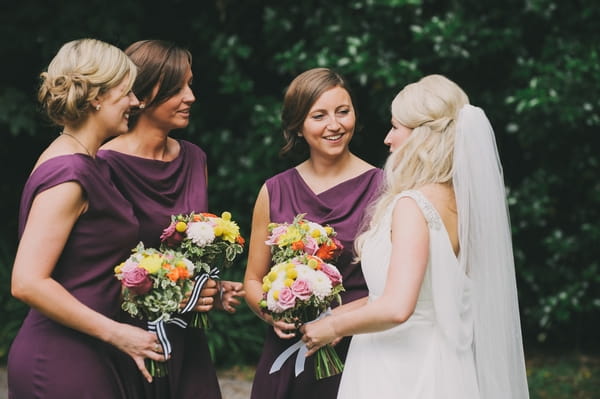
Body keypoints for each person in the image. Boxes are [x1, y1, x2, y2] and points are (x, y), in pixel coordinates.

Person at [299, 74, 530, 398]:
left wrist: (332, 328)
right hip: (446, 367)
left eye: (396, 127)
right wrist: (342, 314)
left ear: (422, 137)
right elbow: (416, 295)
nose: (387, 139)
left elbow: (398, 307)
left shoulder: (412, 205)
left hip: (401, 371)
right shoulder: (460, 203)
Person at [7, 38, 167, 399]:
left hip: (91, 350)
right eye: (126, 92)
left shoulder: (90, 162)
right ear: (96, 97)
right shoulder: (69, 172)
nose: (136, 103)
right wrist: (117, 332)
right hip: (62, 357)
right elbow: (27, 282)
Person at [98, 39, 244, 399]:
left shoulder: (194, 158)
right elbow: (89, 266)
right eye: (178, 87)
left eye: (190, 84)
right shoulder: (103, 165)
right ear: (143, 93)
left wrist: (211, 286)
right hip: (129, 337)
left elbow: (192, 251)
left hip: (186, 336)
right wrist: (164, 294)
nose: (191, 96)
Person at [244, 67, 383, 399]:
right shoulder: (273, 191)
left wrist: (339, 319)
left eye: (343, 112)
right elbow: (252, 279)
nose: (334, 125)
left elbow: (395, 288)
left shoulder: (384, 188)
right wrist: (270, 312)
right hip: (288, 349)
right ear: (298, 126)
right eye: (319, 115)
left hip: (359, 351)